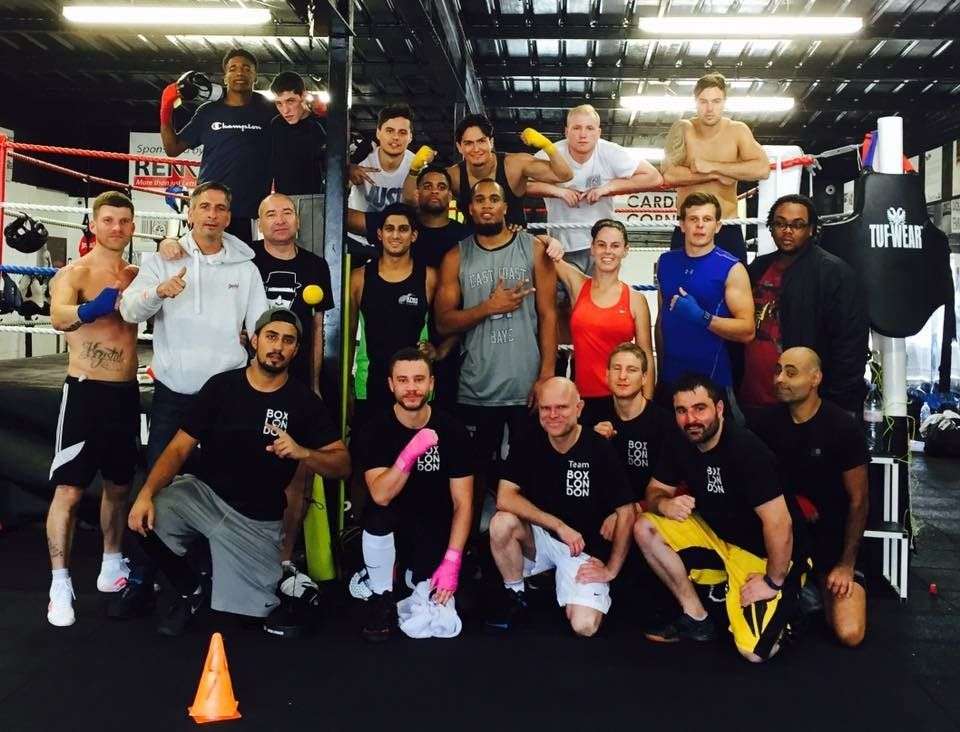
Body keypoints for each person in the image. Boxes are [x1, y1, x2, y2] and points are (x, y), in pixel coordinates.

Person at [126, 308, 350, 636]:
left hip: (255, 521)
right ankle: (190, 591)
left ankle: (259, 582)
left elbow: (342, 464)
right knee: (140, 518)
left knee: (252, 619)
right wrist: (145, 494)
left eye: (288, 341)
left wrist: (304, 452)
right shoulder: (221, 387)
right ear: (254, 340)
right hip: (204, 498)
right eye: (271, 337)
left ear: (296, 350)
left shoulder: (303, 402)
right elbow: (177, 449)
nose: (278, 346)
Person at [112, 181, 268, 618]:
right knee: (155, 486)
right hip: (175, 393)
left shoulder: (246, 266)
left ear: (228, 214)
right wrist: (158, 293)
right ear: (191, 212)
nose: (213, 215)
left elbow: (259, 324)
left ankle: (210, 579)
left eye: (221, 207)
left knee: (224, 488)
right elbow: (128, 309)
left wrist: (271, 353)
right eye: (205, 207)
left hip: (228, 397)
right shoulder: (163, 259)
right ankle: (143, 577)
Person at [633, 374, 804, 662]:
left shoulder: (746, 450)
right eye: (682, 411)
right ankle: (696, 617)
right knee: (645, 526)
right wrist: (664, 505)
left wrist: (773, 582)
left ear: (720, 409)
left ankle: (792, 593)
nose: (691, 419)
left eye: (700, 408)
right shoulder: (679, 440)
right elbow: (655, 491)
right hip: (718, 535)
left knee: (755, 653)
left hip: (764, 551)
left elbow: (780, 524)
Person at [45, 191, 141, 626]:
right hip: (85, 393)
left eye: (124, 220)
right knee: (69, 490)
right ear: (93, 223)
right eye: (108, 220)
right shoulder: (75, 272)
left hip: (124, 395)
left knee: (119, 487)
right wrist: (93, 307)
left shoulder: (138, 273)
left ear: (133, 226)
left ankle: (110, 563)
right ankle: (59, 584)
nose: (116, 228)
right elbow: (59, 316)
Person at [434, 179, 558, 505]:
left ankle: (530, 547)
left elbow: (548, 315)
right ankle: (472, 544)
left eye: (494, 199)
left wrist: (545, 376)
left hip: (525, 386)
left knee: (529, 474)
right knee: (473, 476)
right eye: (479, 199)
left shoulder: (532, 249)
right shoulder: (456, 257)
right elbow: (443, 321)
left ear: (505, 207)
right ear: (470, 208)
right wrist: (488, 307)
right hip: (477, 387)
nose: (487, 204)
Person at [486, 377, 635, 636]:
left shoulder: (599, 448)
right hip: (543, 537)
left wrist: (612, 568)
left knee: (584, 626)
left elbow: (627, 511)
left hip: (582, 549)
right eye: (546, 408)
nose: (553, 415)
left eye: (562, 407)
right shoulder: (528, 440)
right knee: (501, 522)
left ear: (579, 408)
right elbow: (505, 497)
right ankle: (515, 594)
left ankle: (556, 583)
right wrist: (558, 526)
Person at [351, 347, 473, 641]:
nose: (411, 388)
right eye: (403, 380)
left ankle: (410, 573)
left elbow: (463, 503)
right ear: (391, 385)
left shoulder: (452, 430)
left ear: (432, 383)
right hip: (392, 521)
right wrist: (409, 454)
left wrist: (452, 560)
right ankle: (381, 595)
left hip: (433, 524)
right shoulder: (375, 430)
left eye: (419, 379)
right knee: (377, 516)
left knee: (443, 599)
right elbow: (381, 494)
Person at [753, 347, 868, 647]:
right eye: (778, 371)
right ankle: (800, 589)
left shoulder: (842, 427)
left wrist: (846, 564)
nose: (780, 379)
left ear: (815, 378)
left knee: (849, 632)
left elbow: (860, 500)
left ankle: (821, 588)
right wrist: (794, 501)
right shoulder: (764, 424)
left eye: (791, 373)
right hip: (786, 544)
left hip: (832, 544)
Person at [741, 194, 869, 417]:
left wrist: (834, 405)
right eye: (780, 223)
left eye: (797, 225)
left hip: (804, 406)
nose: (787, 231)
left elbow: (850, 346)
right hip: (753, 399)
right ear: (771, 228)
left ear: (811, 229)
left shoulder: (834, 273)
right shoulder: (758, 268)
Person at [527, 104, 663, 272]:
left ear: (598, 133)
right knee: (565, 298)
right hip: (562, 245)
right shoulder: (552, 153)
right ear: (566, 131)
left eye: (589, 128)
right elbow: (522, 183)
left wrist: (607, 188)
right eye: (576, 128)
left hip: (601, 245)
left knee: (603, 297)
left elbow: (654, 177)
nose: (583, 134)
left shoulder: (610, 151)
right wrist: (559, 192)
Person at [159, 48, 275, 244]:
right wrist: (166, 106)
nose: (240, 73)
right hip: (209, 206)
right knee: (203, 266)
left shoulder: (269, 110)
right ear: (225, 77)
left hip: (249, 210)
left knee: (241, 268)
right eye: (233, 68)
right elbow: (173, 149)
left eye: (247, 68)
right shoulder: (208, 112)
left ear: (255, 76)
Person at [655, 192, 754, 414]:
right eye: (693, 219)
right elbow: (662, 320)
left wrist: (701, 316)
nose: (700, 226)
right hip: (671, 378)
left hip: (711, 378)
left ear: (717, 226)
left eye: (707, 219)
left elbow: (747, 331)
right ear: (682, 225)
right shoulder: (665, 262)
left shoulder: (731, 268)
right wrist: (660, 370)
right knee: (669, 445)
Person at [350, 203, 446, 427]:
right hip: (370, 382)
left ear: (413, 236)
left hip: (416, 387)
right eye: (389, 229)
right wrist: (347, 386)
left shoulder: (430, 277)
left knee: (415, 455)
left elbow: (447, 324)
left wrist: (439, 350)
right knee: (370, 458)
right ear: (379, 234)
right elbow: (347, 336)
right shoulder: (359, 278)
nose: (395, 235)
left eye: (403, 229)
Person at [548, 218, 655, 418]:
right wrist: (550, 241)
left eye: (615, 246)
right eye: (601, 244)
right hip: (582, 399)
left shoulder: (635, 300)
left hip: (624, 400)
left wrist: (646, 405)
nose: (608, 251)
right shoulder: (578, 285)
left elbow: (646, 355)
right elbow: (539, 246)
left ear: (625, 250)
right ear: (592, 248)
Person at [661, 72, 770, 263]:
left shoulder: (738, 130)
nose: (709, 108)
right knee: (677, 288)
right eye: (703, 101)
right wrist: (716, 175)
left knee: (736, 288)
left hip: (726, 225)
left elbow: (762, 168)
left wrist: (711, 166)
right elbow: (669, 175)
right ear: (695, 102)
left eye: (716, 101)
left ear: (724, 102)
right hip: (688, 225)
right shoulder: (682, 129)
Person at [402, 113, 573, 226]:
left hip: (515, 246)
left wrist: (548, 146)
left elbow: (564, 175)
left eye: (481, 141)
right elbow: (412, 201)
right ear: (459, 147)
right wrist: (414, 170)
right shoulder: (454, 176)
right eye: (468, 143)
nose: (476, 149)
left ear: (491, 142)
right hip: (472, 250)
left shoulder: (514, 165)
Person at [588, 343, 674, 531]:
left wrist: (632, 511)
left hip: (645, 515)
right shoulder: (591, 416)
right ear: (607, 374)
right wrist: (592, 443)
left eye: (632, 370)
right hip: (600, 512)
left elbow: (674, 488)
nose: (623, 376)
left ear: (644, 378)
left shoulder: (664, 424)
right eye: (616, 369)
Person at [347, 104, 416, 256]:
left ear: (410, 137)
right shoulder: (361, 159)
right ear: (378, 133)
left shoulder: (417, 166)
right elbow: (330, 193)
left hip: (397, 244)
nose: (396, 137)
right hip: (357, 240)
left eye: (402, 132)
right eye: (389, 131)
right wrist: (347, 170)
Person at [269, 71, 325, 197]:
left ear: (303, 96)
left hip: (316, 201)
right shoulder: (276, 125)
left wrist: (350, 168)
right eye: (279, 103)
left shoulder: (322, 125)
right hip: (282, 202)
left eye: (290, 101)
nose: (285, 110)